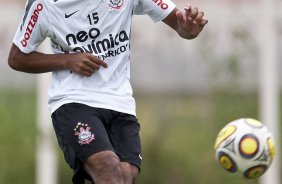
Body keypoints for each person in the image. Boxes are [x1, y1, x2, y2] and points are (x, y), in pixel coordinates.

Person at [8, 0, 208, 183]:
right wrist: (68, 60)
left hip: (120, 102)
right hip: (73, 101)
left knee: (125, 175)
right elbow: (17, 58)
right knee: (108, 169)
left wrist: (188, 27)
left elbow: (182, 27)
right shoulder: (45, 4)